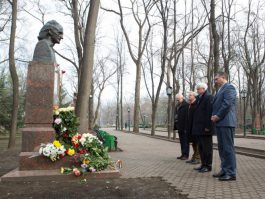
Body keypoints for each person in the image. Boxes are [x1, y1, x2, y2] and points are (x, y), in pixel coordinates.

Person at [211, 72, 237, 181]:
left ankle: (231, 173)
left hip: (226, 122)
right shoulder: (221, 89)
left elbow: (227, 104)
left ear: (223, 77)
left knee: (228, 148)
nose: (215, 81)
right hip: (220, 123)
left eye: (216, 79)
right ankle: (224, 170)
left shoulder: (229, 87)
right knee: (222, 148)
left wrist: (217, 116)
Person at [192, 83, 213, 173]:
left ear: (203, 89)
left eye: (198, 89)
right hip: (199, 128)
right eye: (197, 89)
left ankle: (208, 165)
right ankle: (203, 164)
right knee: (201, 147)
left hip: (205, 128)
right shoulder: (199, 98)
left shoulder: (208, 97)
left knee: (207, 148)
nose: (197, 90)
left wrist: (208, 126)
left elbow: (209, 112)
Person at [185, 91, 200, 165]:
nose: (189, 96)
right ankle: (194, 157)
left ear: (194, 96)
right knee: (193, 143)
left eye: (190, 95)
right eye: (189, 95)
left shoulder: (196, 104)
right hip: (190, 127)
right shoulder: (189, 105)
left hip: (195, 126)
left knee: (197, 142)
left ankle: (197, 158)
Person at [174, 94, 189, 160]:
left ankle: (186, 155)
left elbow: (187, 117)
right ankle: (182, 154)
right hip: (179, 126)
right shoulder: (177, 105)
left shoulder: (186, 105)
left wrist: (186, 127)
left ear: (182, 98)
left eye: (178, 99)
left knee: (185, 141)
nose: (177, 100)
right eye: (177, 99)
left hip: (184, 127)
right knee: (182, 141)